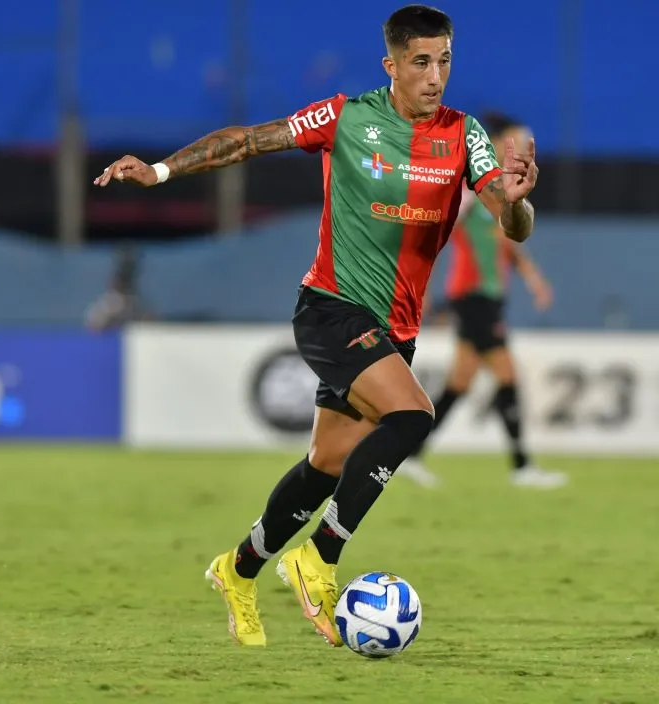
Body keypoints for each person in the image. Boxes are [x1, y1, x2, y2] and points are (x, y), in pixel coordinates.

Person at [94, 4, 540, 648]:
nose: (434, 75)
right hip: (330, 309)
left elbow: (506, 213)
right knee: (413, 416)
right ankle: (320, 556)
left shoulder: (463, 134)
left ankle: (238, 570)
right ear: (391, 65)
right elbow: (248, 139)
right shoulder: (346, 116)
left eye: (444, 61)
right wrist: (160, 171)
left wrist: (519, 204)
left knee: (326, 464)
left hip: (396, 330)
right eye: (420, 62)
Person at [400, 114, 568, 490]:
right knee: (507, 376)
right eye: (516, 141)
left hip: (486, 296)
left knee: (459, 383)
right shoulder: (470, 190)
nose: (522, 148)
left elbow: (508, 241)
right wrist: (420, 287)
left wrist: (533, 278)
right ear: (494, 144)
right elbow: (436, 234)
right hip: (473, 296)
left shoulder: (497, 192)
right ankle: (522, 466)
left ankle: (410, 456)